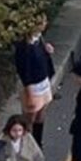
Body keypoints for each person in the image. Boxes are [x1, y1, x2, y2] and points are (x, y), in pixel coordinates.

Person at [14, 20, 55, 148]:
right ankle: (27, 146)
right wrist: (29, 91)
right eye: (42, 22)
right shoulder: (24, 46)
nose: (45, 23)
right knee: (29, 118)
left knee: (41, 115)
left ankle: (38, 143)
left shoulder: (39, 38)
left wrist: (46, 50)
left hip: (43, 82)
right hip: (33, 86)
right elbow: (24, 71)